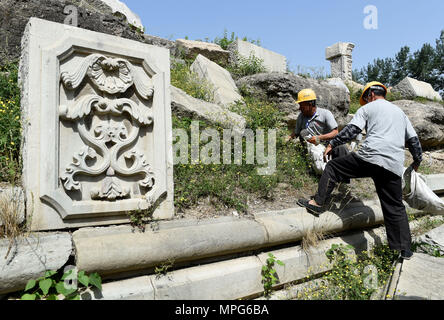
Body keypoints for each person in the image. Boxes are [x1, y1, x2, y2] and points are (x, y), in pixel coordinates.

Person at [297, 81, 423, 260]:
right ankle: (404, 250)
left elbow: (351, 130)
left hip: (370, 157)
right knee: (395, 207)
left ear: (370, 94)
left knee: (333, 167)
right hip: (393, 164)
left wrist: (332, 144)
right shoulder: (400, 112)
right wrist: (417, 161)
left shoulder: (367, 109)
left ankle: (317, 204)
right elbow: (413, 140)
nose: (365, 102)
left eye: (365, 99)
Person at [287, 89, 349, 160]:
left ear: (310, 104)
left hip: (329, 145)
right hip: (313, 147)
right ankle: (307, 162)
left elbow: (335, 132)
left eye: (302, 106)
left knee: (341, 147)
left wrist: (319, 138)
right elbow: (296, 133)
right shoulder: (301, 117)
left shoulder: (325, 113)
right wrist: (287, 138)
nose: (299, 108)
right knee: (303, 133)